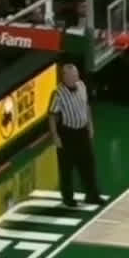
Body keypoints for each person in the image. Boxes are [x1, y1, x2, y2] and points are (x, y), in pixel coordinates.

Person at [48, 63, 103, 208]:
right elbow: (52, 116)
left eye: (76, 74)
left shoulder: (82, 86)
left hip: (82, 132)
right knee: (66, 168)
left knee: (88, 164)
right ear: (64, 77)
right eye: (72, 75)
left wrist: (90, 125)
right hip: (67, 134)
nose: (75, 77)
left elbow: (86, 106)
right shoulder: (58, 93)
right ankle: (68, 198)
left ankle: (92, 195)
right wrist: (55, 136)